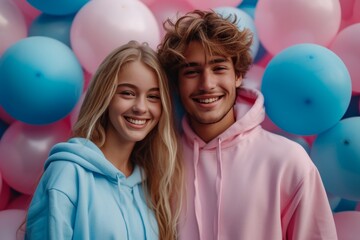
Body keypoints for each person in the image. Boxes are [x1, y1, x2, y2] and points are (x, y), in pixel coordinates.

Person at [157, 10, 338, 240]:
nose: (207, 84)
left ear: (238, 75)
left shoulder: (287, 160)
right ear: (177, 83)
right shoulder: (159, 161)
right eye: (192, 72)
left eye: (219, 68)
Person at [25, 41, 183, 240]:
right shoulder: (68, 173)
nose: (141, 107)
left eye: (153, 97)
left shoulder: (151, 184)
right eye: (127, 93)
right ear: (105, 96)